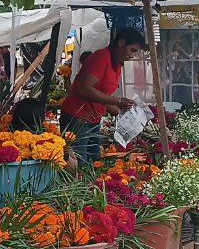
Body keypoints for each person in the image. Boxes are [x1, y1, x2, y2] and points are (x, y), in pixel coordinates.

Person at [58, 27, 147, 162]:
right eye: (132, 50)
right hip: (77, 117)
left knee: (95, 162)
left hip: (92, 119)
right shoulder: (101, 57)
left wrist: (128, 115)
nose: (132, 56)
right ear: (121, 43)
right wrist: (118, 101)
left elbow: (102, 97)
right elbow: (83, 89)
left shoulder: (117, 64)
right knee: (79, 164)